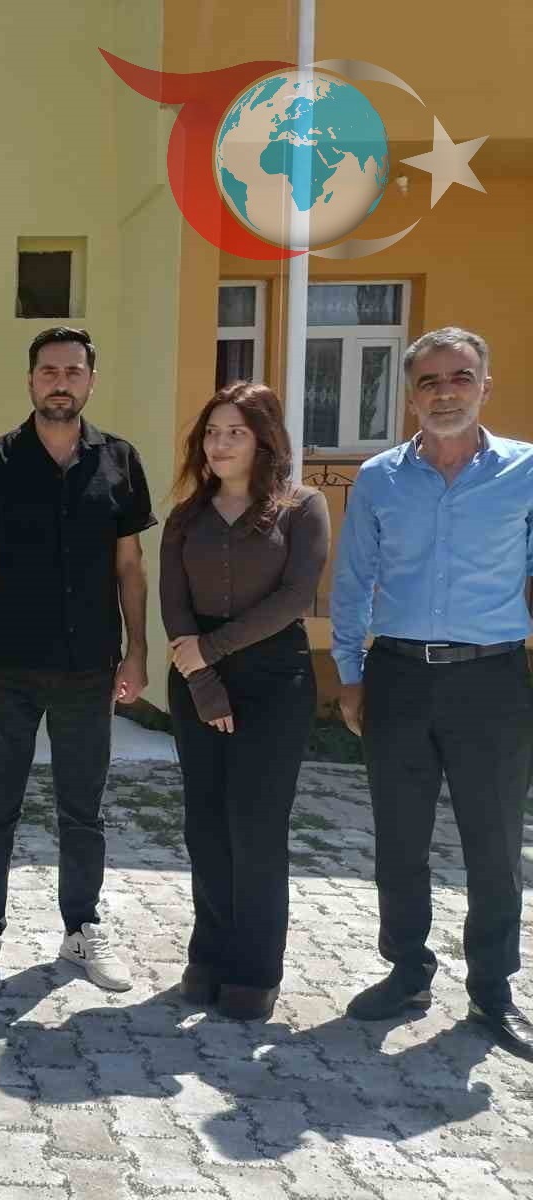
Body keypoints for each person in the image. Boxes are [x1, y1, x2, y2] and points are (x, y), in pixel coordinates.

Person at [331, 327, 533, 1060]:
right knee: (400, 837)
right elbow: (353, 579)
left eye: (460, 377)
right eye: (429, 381)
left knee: (495, 842)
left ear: (485, 386)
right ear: (410, 396)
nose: (445, 392)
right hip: (399, 678)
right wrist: (349, 674)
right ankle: (407, 971)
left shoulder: (526, 471)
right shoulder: (379, 478)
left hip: (492, 679)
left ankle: (493, 990)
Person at [0, 326, 154, 994]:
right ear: (31, 380)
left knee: (83, 811)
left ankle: (81, 930)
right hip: (6, 667)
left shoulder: (120, 461)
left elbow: (130, 568)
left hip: (89, 667)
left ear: (91, 380)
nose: (60, 383)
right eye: (48, 371)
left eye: (72, 371)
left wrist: (137, 652)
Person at [161, 383, 329, 1021]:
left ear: (263, 439)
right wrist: (204, 682)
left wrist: (212, 652)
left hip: (274, 680)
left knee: (255, 826)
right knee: (205, 825)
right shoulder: (185, 517)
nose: (220, 443)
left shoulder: (302, 507)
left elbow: (295, 598)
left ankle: (255, 970)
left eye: (235, 431)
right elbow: (174, 605)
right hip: (194, 677)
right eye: (212, 431)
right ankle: (209, 954)